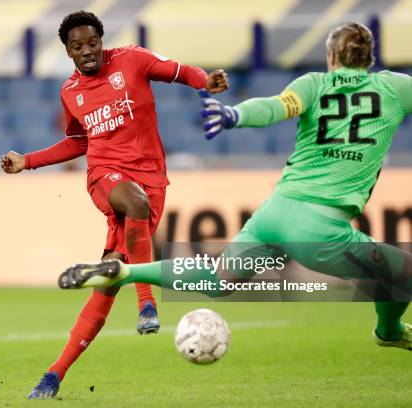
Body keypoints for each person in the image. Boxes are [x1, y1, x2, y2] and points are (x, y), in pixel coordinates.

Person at [58, 22, 412, 354]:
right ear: (370, 57)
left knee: (217, 279)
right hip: (319, 230)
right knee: (402, 272)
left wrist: (233, 116)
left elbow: (274, 108)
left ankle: (124, 271)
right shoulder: (395, 88)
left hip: (275, 213)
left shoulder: (312, 84)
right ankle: (390, 332)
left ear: (331, 57)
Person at [0, 10, 230, 399]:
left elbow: (175, 71)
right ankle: (147, 305)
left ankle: (53, 375)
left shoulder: (132, 60)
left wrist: (204, 81)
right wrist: (28, 160)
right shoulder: (70, 91)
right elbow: (78, 141)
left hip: (152, 177)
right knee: (134, 203)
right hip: (105, 176)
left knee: (108, 283)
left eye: (92, 43)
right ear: (68, 51)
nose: (87, 51)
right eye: (77, 47)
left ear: (101, 41)